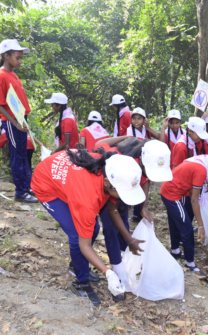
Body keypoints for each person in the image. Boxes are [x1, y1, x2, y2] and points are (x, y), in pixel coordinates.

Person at [31, 149, 145, 306]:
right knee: (77, 235)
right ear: (107, 183)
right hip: (47, 185)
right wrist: (108, 272)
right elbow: (83, 243)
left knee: (93, 230)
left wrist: (129, 239)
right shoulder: (87, 199)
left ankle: (77, 264)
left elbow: (111, 209)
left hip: (68, 180)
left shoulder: (112, 167)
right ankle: (81, 282)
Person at [160, 145, 208, 275]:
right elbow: (194, 200)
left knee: (175, 222)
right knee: (187, 229)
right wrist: (200, 226)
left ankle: (175, 250)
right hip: (172, 193)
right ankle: (190, 262)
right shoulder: (202, 169)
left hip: (173, 189)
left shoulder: (204, 160)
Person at [0, 39, 37, 203]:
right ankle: (20, 192)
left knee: (22, 155)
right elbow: (0, 105)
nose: (20, 61)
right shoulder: (1, 75)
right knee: (17, 156)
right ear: (6, 56)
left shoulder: (13, 74)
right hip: (12, 122)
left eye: (22, 57)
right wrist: (15, 123)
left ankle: (26, 187)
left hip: (21, 119)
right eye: (17, 57)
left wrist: (23, 121)